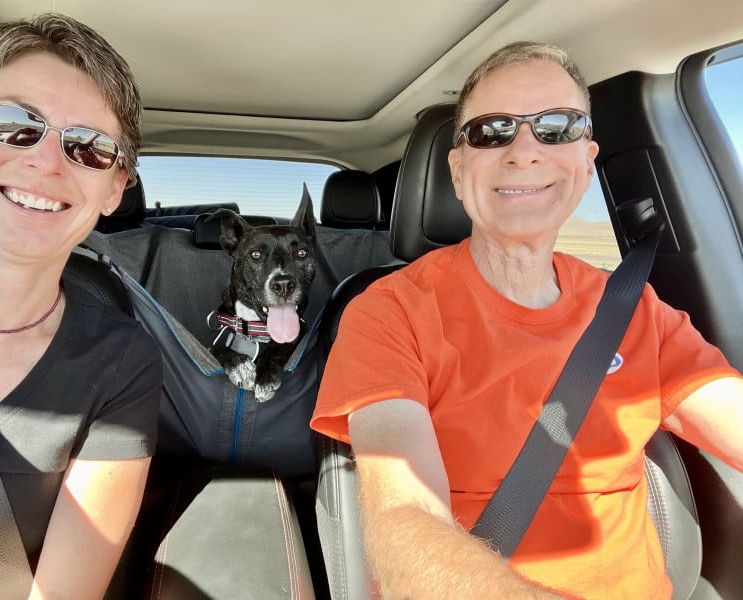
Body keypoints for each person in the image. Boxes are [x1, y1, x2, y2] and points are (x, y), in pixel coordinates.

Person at [311, 41, 743, 599]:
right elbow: (404, 516)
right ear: (459, 169)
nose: (524, 151)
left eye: (557, 127)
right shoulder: (389, 312)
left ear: (587, 162)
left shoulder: (637, 310)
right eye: (492, 131)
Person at [0, 13, 162, 599]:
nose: (47, 162)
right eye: (15, 123)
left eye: (89, 147)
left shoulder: (123, 363)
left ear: (114, 190)